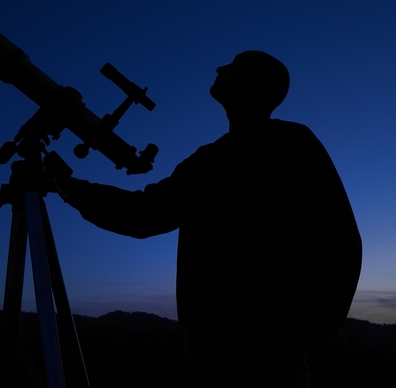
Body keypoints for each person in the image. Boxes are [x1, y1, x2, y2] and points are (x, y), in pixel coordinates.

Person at [58, 51, 362, 387]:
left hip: (271, 352)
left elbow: (341, 243)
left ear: (252, 83)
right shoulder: (209, 160)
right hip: (208, 343)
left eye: (232, 65)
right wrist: (71, 188)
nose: (219, 68)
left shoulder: (292, 144)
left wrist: (301, 335)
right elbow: (144, 214)